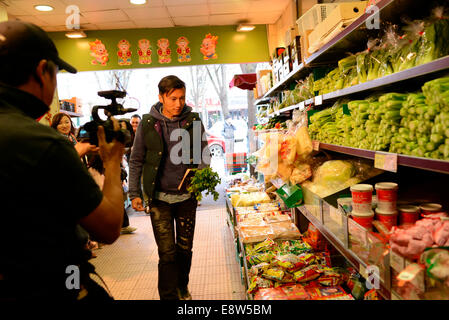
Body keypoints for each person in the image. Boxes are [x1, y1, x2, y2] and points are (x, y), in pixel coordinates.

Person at [0, 20, 125, 301]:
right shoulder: (40, 143)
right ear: (42, 70)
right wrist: (113, 161)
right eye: (55, 73)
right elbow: (108, 228)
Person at [129, 75, 210, 300]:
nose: (178, 103)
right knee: (167, 253)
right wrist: (134, 193)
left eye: (182, 98)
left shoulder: (192, 120)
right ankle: (168, 297)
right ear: (161, 97)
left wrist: (200, 174)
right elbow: (136, 160)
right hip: (159, 199)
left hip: (186, 198)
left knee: (184, 250)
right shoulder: (147, 123)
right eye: (173, 98)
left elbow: (203, 154)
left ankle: (182, 286)